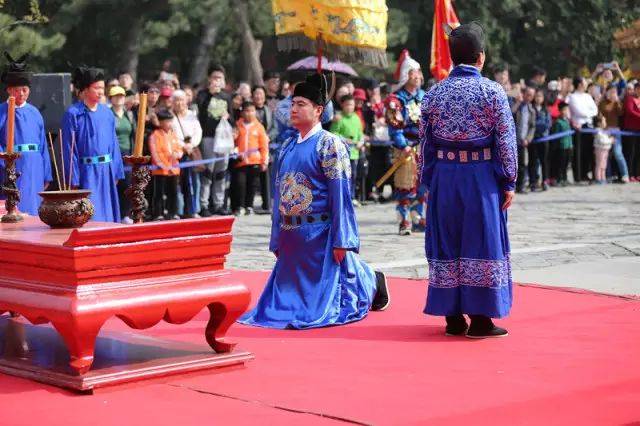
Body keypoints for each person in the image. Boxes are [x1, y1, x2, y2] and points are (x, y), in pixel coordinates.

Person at [238, 73, 390, 329]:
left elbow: (341, 196)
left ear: (319, 110)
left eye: (301, 104)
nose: (293, 109)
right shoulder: (287, 146)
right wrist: (277, 237)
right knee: (276, 309)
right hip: (292, 235)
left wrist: (343, 240)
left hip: (320, 234)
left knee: (325, 302)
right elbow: (279, 197)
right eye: (292, 103)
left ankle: (373, 281)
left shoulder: (329, 145)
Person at [418, 22, 517, 338]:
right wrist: (509, 180)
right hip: (480, 176)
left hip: (445, 176)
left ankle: (452, 317)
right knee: (481, 240)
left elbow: (425, 143)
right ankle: (481, 318)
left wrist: (428, 180)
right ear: (481, 56)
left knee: (447, 240)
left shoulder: (434, 93)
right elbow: (505, 140)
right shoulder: (492, 91)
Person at [62, 66, 124, 222]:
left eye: (102, 88)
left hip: (106, 171)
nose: (101, 91)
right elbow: (69, 149)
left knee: (108, 215)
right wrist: (73, 179)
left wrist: (116, 170)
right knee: (91, 214)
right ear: (85, 89)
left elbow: (114, 143)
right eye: (96, 88)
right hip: (87, 173)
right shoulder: (73, 114)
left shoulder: (107, 113)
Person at [0, 52, 51, 215]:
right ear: (9, 90)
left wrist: (46, 173)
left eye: (24, 89)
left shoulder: (35, 112)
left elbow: (43, 145)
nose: (21, 94)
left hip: (35, 167)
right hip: (12, 168)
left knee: (34, 209)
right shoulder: (2, 112)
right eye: (17, 90)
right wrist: (5, 166)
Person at [387, 49, 427, 235]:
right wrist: (403, 146)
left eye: (419, 72)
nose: (418, 76)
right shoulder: (396, 100)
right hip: (405, 148)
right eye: (414, 72)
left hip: (423, 147)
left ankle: (419, 217)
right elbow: (394, 127)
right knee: (405, 184)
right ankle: (404, 219)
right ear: (406, 75)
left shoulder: (425, 97)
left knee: (423, 184)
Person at [196, 64, 232, 217]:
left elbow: (232, 116)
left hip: (223, 139)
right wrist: (210, 95)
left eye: (220, 78)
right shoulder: (202, 95)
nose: (217, 81)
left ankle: (219, 203)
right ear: (209, 79)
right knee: (208, 172)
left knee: (221, 172)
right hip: (208, 137)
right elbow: (201, 116)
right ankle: (203, 204)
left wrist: (229, 119)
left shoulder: (226, 96)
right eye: (215, 77)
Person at [230, 101, 269, 215]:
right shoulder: (238, 125)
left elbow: (264, 146)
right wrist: (235, 150)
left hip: (254, 161)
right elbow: (233, 142)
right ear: (242, 113)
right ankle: (240, 206)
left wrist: (264, 161)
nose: (250, 113)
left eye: (252, 111)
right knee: (240, 183)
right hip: (241, 161)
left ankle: (249, 206)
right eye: (247, 111)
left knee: (252, 185)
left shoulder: (259, 127)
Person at [172, 89, 203, 217]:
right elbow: (171, 135)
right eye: (177, 100)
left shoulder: (192, 115)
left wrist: (191, 144)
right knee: (178, 182)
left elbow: (198, 132)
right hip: (178, 152)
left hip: (192, 151)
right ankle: (179, 210)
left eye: (182, 100)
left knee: (194, 181)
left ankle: (193, 209)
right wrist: (182, 145)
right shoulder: (171, 117)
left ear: (186, 101)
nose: (179, 103)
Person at [149, 109, 182, 220]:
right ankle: (158, 213)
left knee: (173, 192)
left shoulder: (173, 134)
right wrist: (161, 164)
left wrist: (178, 154)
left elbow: (178, 148)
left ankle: (173, 212)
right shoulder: (155, 135)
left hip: (174, 169)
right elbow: (155, 152)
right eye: (167, 121)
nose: (170, 123)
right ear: (161, 122)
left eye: (170, 121)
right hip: (160, 170)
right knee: (159, 193)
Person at [330, 94, 364, 203]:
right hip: (342, 153)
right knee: (342, 175)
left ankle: (351, 196)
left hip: (354, 153)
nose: (350, 107)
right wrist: (344, 140)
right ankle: (342, 196)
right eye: (348, 105)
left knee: (353, 175)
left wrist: (360, 142)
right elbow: (333, 133)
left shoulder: (356, 118)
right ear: (343, 105)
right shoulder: (339, 118)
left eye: (352, 105)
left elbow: (360, 134)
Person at [109, 85, 135, 222]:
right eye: (116, 96)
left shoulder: (128, 115)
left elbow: (134, 134)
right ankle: (114, 214)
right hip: (113, 154)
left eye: (121, 96)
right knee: (115, 184)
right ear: (111, 98)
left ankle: (125, 214)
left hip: (127, 154)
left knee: (128, 185)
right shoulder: (108, 114)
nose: (119, 98)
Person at [567, 77, 598, 182]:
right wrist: (587, 113)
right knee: (579, 152)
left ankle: (586, 173)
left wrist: (588, 114)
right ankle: (578, 176)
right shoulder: (572, 97)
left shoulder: (588, 96)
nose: (586, 84)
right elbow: (579, 111)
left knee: (589, 151)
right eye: (584, 82)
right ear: (580, 84)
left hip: (589, 126)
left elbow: (595, 110)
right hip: (578, 127)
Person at [253, 85, 277, 212]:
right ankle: (248, 204)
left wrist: (267, 137)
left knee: (267, 176)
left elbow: (274, 128)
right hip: (251, 148)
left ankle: (267, 204)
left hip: (266, 148)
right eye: (256, 94)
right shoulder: (248, 110)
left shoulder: (269, 111)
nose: (258, 97)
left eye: (261, 94)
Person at [598, 84, 629, 183]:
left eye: (615, 92)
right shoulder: (603, 103)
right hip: (605, 131)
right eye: (611, 91)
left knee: (618, 153)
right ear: (607, 92)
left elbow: (621, 113)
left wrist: (617, 102)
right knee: (605, 155)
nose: (613, 93)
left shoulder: (617, 102)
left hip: (616, 130)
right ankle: (608, 176)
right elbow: (599, 114)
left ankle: (625, 175)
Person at [529, 89, 551, 191]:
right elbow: (531, 124)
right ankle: (533, 182)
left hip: (544, 139)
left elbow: (548, 124)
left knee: (544, 161)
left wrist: (538, 125)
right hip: (533, 139)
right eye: (536, 96)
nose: (538, 98)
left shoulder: (546, 110)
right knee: (533, 161)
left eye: (540, 96)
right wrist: (537, 125)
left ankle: (544, 181)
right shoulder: (531, 108)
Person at [515, 86, 535, 193]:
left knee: (522, 164)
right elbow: (511, 113)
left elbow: (532, 126)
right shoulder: (517, 106)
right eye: (527, 94)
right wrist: (518, 103)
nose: (529, 97)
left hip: (523, 141)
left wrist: (528, 138)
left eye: (531, 95)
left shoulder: (531, 110)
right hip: (513, 140)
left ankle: (520, 186)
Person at [550, 102, 573, 186]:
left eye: (567, 109)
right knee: (560, 163)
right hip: (561, 146)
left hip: (568, 146)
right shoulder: (558, 122)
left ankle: (565, 178)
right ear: (560, 111)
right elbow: (556, 136)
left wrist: (571, 145)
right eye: (564, 110)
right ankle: (559, 179)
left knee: (566, 163)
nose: (566, 111)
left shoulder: (567, 120)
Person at [622, 83, 640, 181]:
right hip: (631, 129)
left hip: (639, 129)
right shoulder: (630, 98)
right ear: (636, 89)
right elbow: (630, 111)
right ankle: (630, 174)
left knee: (638, 152)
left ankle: (637, 174)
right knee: (631, 152)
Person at [592, 115, 613, 184]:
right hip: (600, 150)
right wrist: (610, 140)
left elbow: (605, 140)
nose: (605, 123)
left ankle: (603, 178)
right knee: (599, 164)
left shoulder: (602, 131)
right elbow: (602, 141)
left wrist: (609, 139)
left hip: (605, 150)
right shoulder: (598, 131)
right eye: (604, 121)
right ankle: (598, 179)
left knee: (604, 165)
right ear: (599, 123)